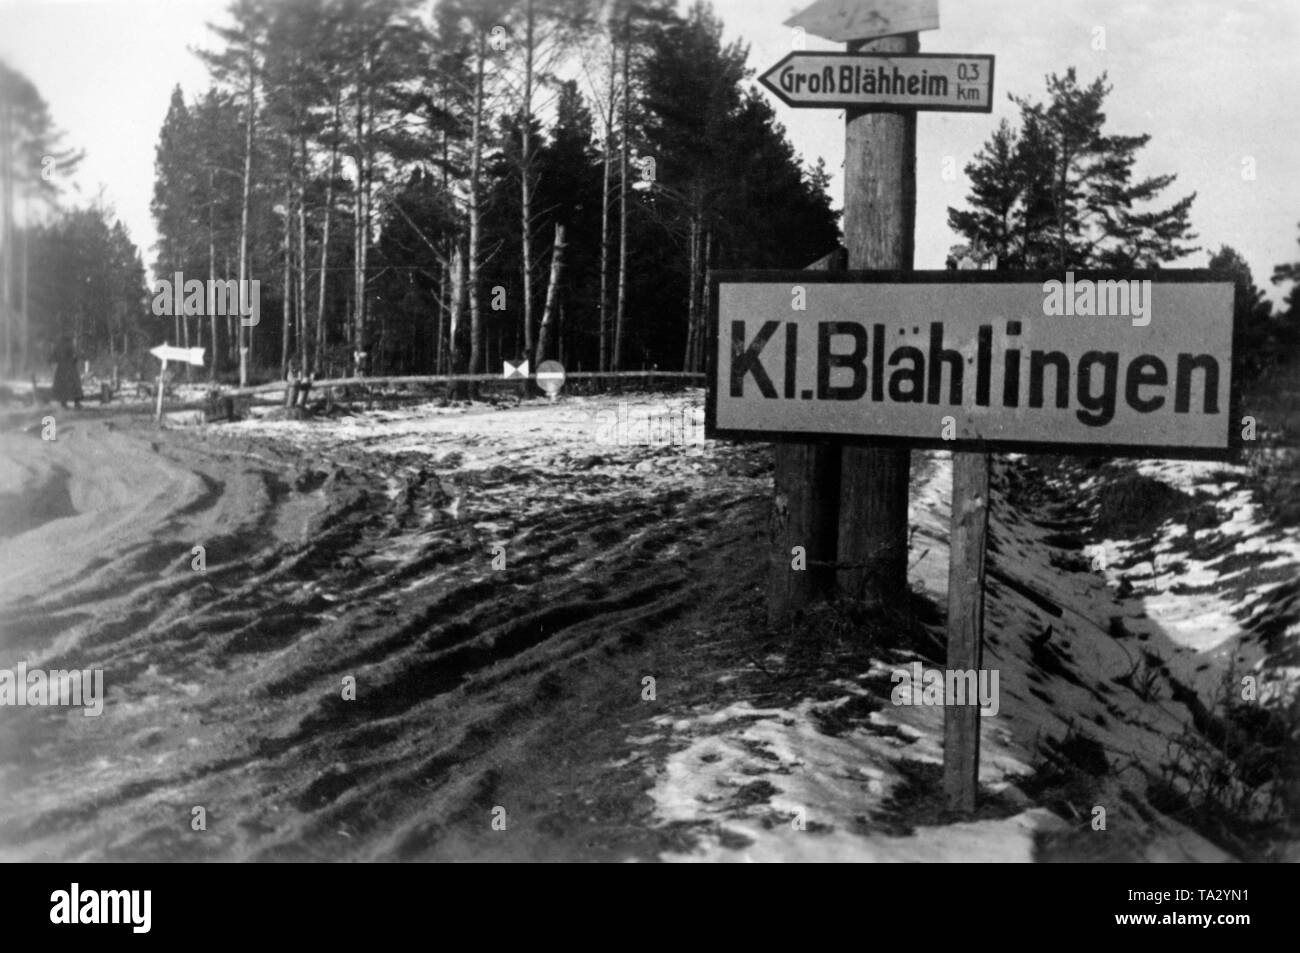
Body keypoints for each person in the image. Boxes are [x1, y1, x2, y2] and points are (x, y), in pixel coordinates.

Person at [51, 336, 83, 409]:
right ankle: (76, 402)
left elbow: (54, 357)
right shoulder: (70, 344)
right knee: (75, 384)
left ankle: (64, 403)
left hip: (61, 368)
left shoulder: (58, 345)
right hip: (70, 368)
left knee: (63, 385)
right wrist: (75, 358)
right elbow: (74, 355)